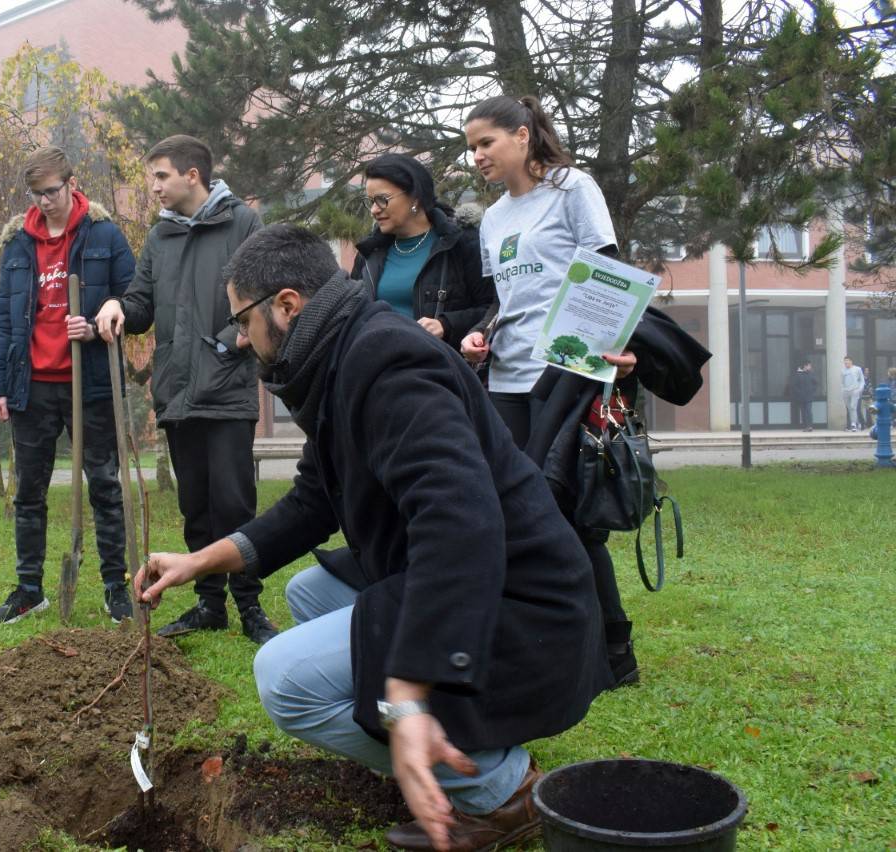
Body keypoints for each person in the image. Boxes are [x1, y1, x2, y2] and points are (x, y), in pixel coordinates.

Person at [135, 226, 610, 852]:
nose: (241, 341)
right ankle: (451, 740)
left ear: (286, 304)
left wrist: (408, 696)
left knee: (285, 680)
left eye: (242, 321)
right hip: (484, 585)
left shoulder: (387, 362)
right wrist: (200, 561)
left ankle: (501, 790)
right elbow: (312, 501)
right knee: (311, 592)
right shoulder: (340, 355)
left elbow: (461, 519)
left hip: (522, 605)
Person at [458, 95, 646, 687]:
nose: (477, 156)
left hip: (566, 372)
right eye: (470, 148)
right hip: (506, 379)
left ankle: (615, 652)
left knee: (562, 515)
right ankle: (556, 644)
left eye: (485, 142)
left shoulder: (571, 188)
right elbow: (502, 300)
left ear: (521, 135)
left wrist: (612, 357)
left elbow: (609, 272)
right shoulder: (492, 220)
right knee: (519, 512)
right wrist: (479, 333)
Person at [95, 135, 278, 645]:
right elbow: (140, 304)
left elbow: (261, 297)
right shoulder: (160, 236)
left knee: (234, 502)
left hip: (226, 388)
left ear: (191, 175)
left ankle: (250, 607)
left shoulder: (242, 223)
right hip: (176, 390)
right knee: (197, 504)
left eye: (160, 176)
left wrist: (225, 345)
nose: (152, 186)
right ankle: (209, 604)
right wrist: (117, 307)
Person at [0, 146, 134, 624]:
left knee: (105, 486)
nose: (46, 201)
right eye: (37, 194)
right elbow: (4, 322)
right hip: (32, 385)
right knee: (29, 491)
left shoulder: (104, 235)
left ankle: (117, 587)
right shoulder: (19, 245)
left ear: (72, 183)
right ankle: (30, 588)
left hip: (89, 382)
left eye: (52, 191)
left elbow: (132, 297)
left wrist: (95, 327)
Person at [351, 154, 495, 346]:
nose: (374, 210)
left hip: (441, 369)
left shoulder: (462, 243)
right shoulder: (368, 254)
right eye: (371, 201)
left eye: (382, 200)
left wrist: (446, 325)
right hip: (379, 369)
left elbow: (492, 308)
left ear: (415, 198)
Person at [789, 360, 816, 431]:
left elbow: (815, 383)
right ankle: (806, 426)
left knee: (809, 411)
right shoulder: (798, 374)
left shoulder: (811, 374)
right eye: (809, 365)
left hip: (809, 397)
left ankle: (810, 426)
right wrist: (799, 392)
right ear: (805, 366)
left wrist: (812, 391)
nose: (810, 367)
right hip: (801, 397)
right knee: (803, 412)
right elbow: (794, 385)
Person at [842, 356, 865, 431]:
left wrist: (859, 389)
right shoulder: (843, 371)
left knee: (853, 407)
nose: (846, 362)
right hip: (846, 391)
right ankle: (856, 422)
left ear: (851, 361)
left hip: (855, 390)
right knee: (849, 408)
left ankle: (853, 424)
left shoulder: (857, 369)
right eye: (845, 361)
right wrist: (842, 390)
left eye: (847, 361)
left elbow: (862, 380)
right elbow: (842, 382)